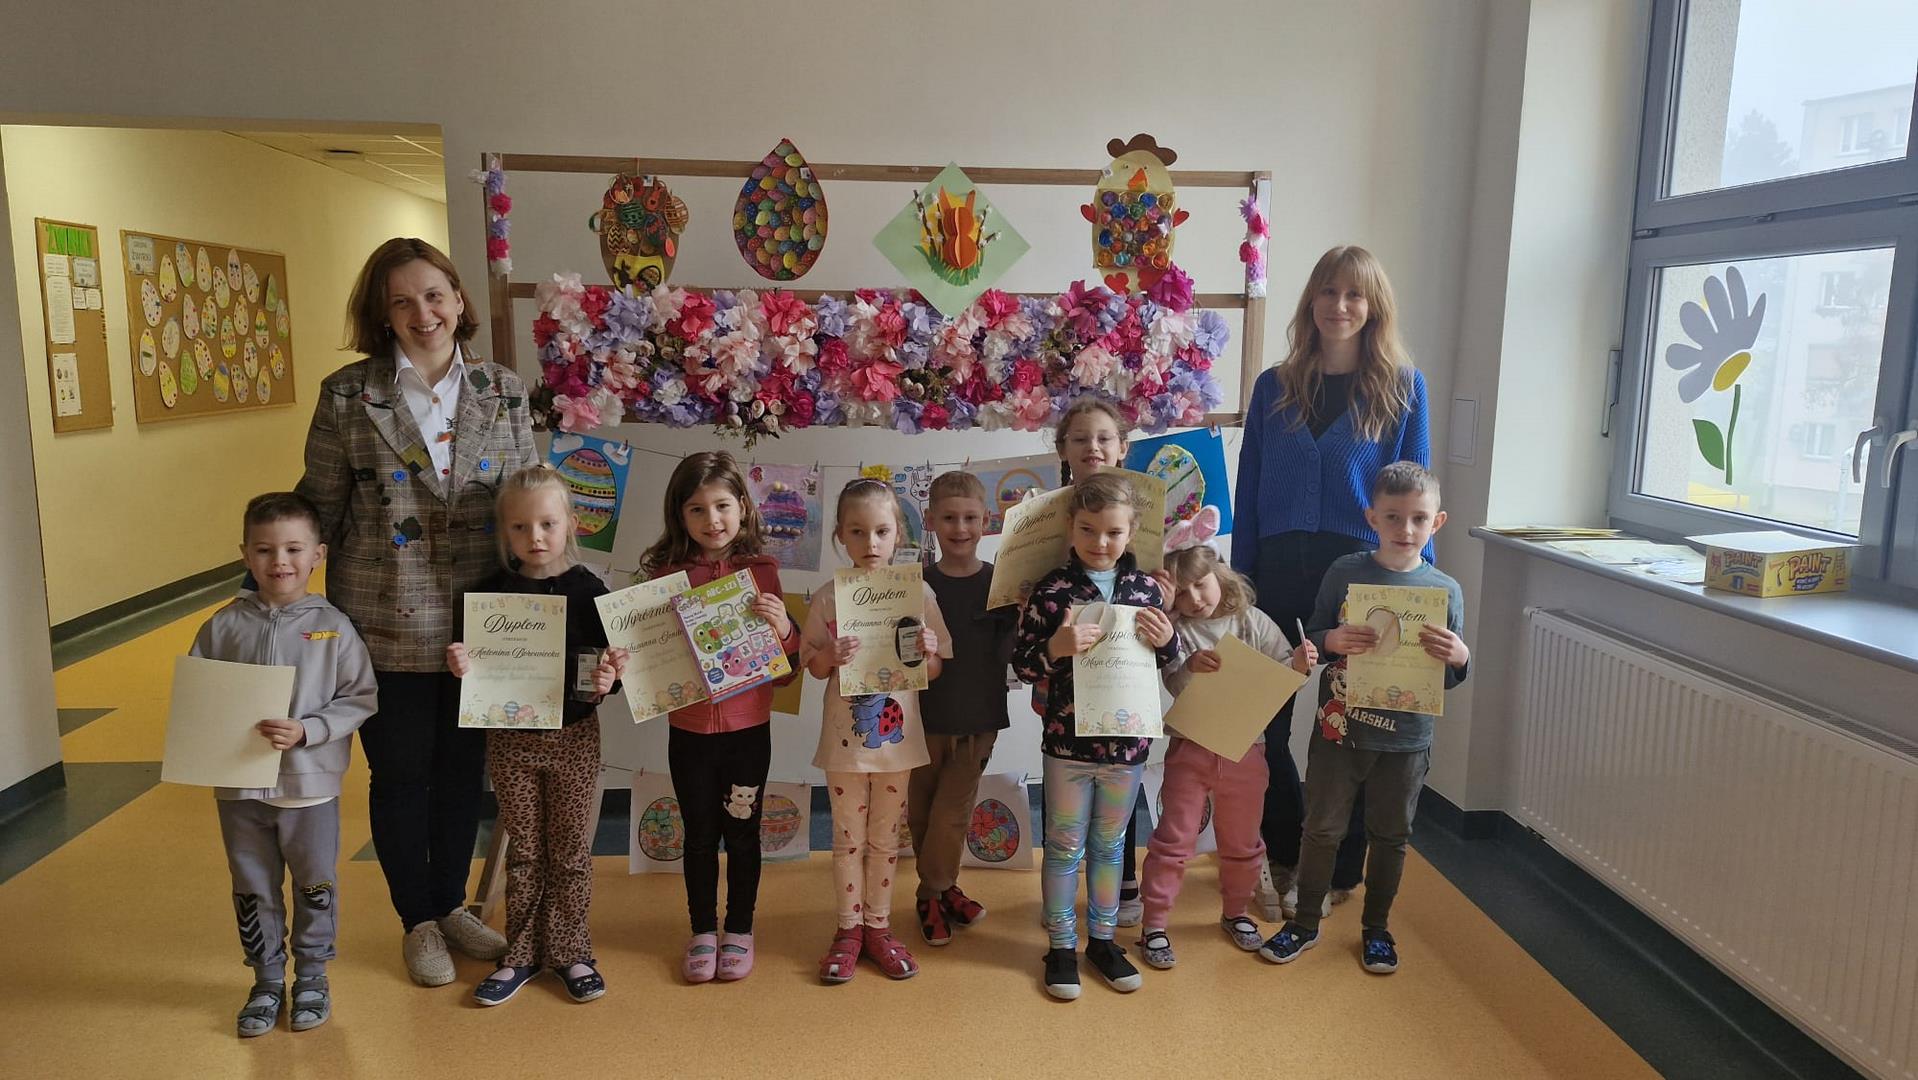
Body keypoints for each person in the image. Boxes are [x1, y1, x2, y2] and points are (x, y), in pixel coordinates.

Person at [296, 236, 536, 986]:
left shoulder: (502, 390)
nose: (421, 312)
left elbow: (531, 500)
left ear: (459, 300)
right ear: (383, 313)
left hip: (485, 622)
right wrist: (269, 596)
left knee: (463, 774)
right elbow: (318, 505)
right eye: (402, 301)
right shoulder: (348, 395)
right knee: (400, 776)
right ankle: (417, 921)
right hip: (383, 620)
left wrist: (562, 594)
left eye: (434, 295)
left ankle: (451, 904)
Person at [1231, 244, 1431, 921]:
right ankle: (1287, 854)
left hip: (1362, 578)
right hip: (1276, 570)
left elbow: (1416, 491)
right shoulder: (1274, 386)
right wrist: (1241, 580)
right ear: (1311, 300)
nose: (1339, 306)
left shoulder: (1402, 387)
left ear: (1373, 307)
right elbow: (1250, 489)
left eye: (1353, 294)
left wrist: (1414, 586)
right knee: (1262, 725)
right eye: (1327, 291)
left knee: (1356, 730)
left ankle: (1342, 869)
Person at [1258, 463, 1468, 974]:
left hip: (1407, 738)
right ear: (1371, 517)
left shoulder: (1444, 590)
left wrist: (1460, 656)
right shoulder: (1345, 572)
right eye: (1392, 516)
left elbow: (1446, 676)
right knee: (1321, 829)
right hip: (1340, 729)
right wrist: (1330, 640)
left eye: (1418, 518)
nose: (1405, 529)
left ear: (1437, 522)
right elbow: (1315, 637)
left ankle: (1377, 929)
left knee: (1391, 835)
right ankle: (1305, 923)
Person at [191, 492, 377, 1036]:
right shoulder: (222, 627)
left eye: (294, 549)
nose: (280, 562)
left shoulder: (334, 627)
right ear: (245, 555)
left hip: (309, 786)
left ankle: (313, 975)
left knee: (314, 882)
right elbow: (198, 697)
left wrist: (309, 731)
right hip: (239, 788)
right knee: (252, 884)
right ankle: (266, 979)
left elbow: (360, 697)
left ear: (318, 554)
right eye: (265, 550)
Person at [446, 467, 627, 1006]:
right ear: (504, 531)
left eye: (547, 523)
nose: (536, 537)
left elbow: (608, 674)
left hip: (574, 738)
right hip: (511, 742)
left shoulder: (590, 592)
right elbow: (474, 671)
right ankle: (521, 953)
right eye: (520, 527)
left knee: (570, 850)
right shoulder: (489, 596)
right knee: (524, 850)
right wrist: (461, 664)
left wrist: (608, 680)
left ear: (571, 522)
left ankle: (571, 952)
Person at [1012, 472, 1177, 1001]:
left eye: (1113, 532)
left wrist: (1169, 640)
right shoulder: (1052, 590)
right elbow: (1023, 664)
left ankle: (1102, 942)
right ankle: (1061, 947)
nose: (1100, 542)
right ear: (1070, 527)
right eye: (1088, 529)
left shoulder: (1146, 590)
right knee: (1063, 846)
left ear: (1131, 531)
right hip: (1068, 745)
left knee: (1110, 846)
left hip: (1127, 746)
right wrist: (1055, 648)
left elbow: (1164, 662)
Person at [639, 451, 800, 984]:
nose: (712, 520)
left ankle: (741, 929)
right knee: (699, 836)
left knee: (744, 834)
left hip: (748, 733)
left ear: (743, 507)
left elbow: (785, 674)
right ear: (679, 515)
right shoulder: (664, 578)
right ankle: (702, 930)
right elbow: (649, 662)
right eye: (697, 509)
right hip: (688, 732)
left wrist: (784, 630)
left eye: (723, 506)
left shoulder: (763, 572)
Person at [1135, 535, 1316, 970]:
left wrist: (1300, 663)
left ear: (1220, 574)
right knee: (1173, 840)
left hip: (1245, 750)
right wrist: (1188, 666)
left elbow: (1283, 676)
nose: (1194, 599)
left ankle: (1235, 912)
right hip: (1191, 749)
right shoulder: (1177, 629)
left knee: (1242, 841)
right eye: (1181, 592)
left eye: (1201, 584)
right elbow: (1173, 683)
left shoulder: (1251, 621)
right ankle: (1154, 924)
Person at [804, 478, 950, 983]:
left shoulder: (917, 593)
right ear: (840, 536)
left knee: (886, 839)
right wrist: (829, 655)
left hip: (896, 743)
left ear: (897, 535)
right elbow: (813, 668)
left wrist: (927, 651)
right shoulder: (829, 598)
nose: (870, 543)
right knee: (847, 839)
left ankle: (879, 927)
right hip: (845, 743)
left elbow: (934, 670)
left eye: (881, 531)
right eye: (857, 531)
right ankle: (849, 930)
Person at [909, 471, 1018, 947]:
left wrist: (1027, 611)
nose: (960, 528)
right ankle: (945, 888)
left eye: (970, 518)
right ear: (930, 521)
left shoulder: (1002, 584)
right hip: (919, 719)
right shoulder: (914, 584)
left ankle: (929, 894)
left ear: (986, 520)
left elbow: (1013, 651)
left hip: (978, 720)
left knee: (952, 814)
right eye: (949, 518)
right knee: (922, 814)